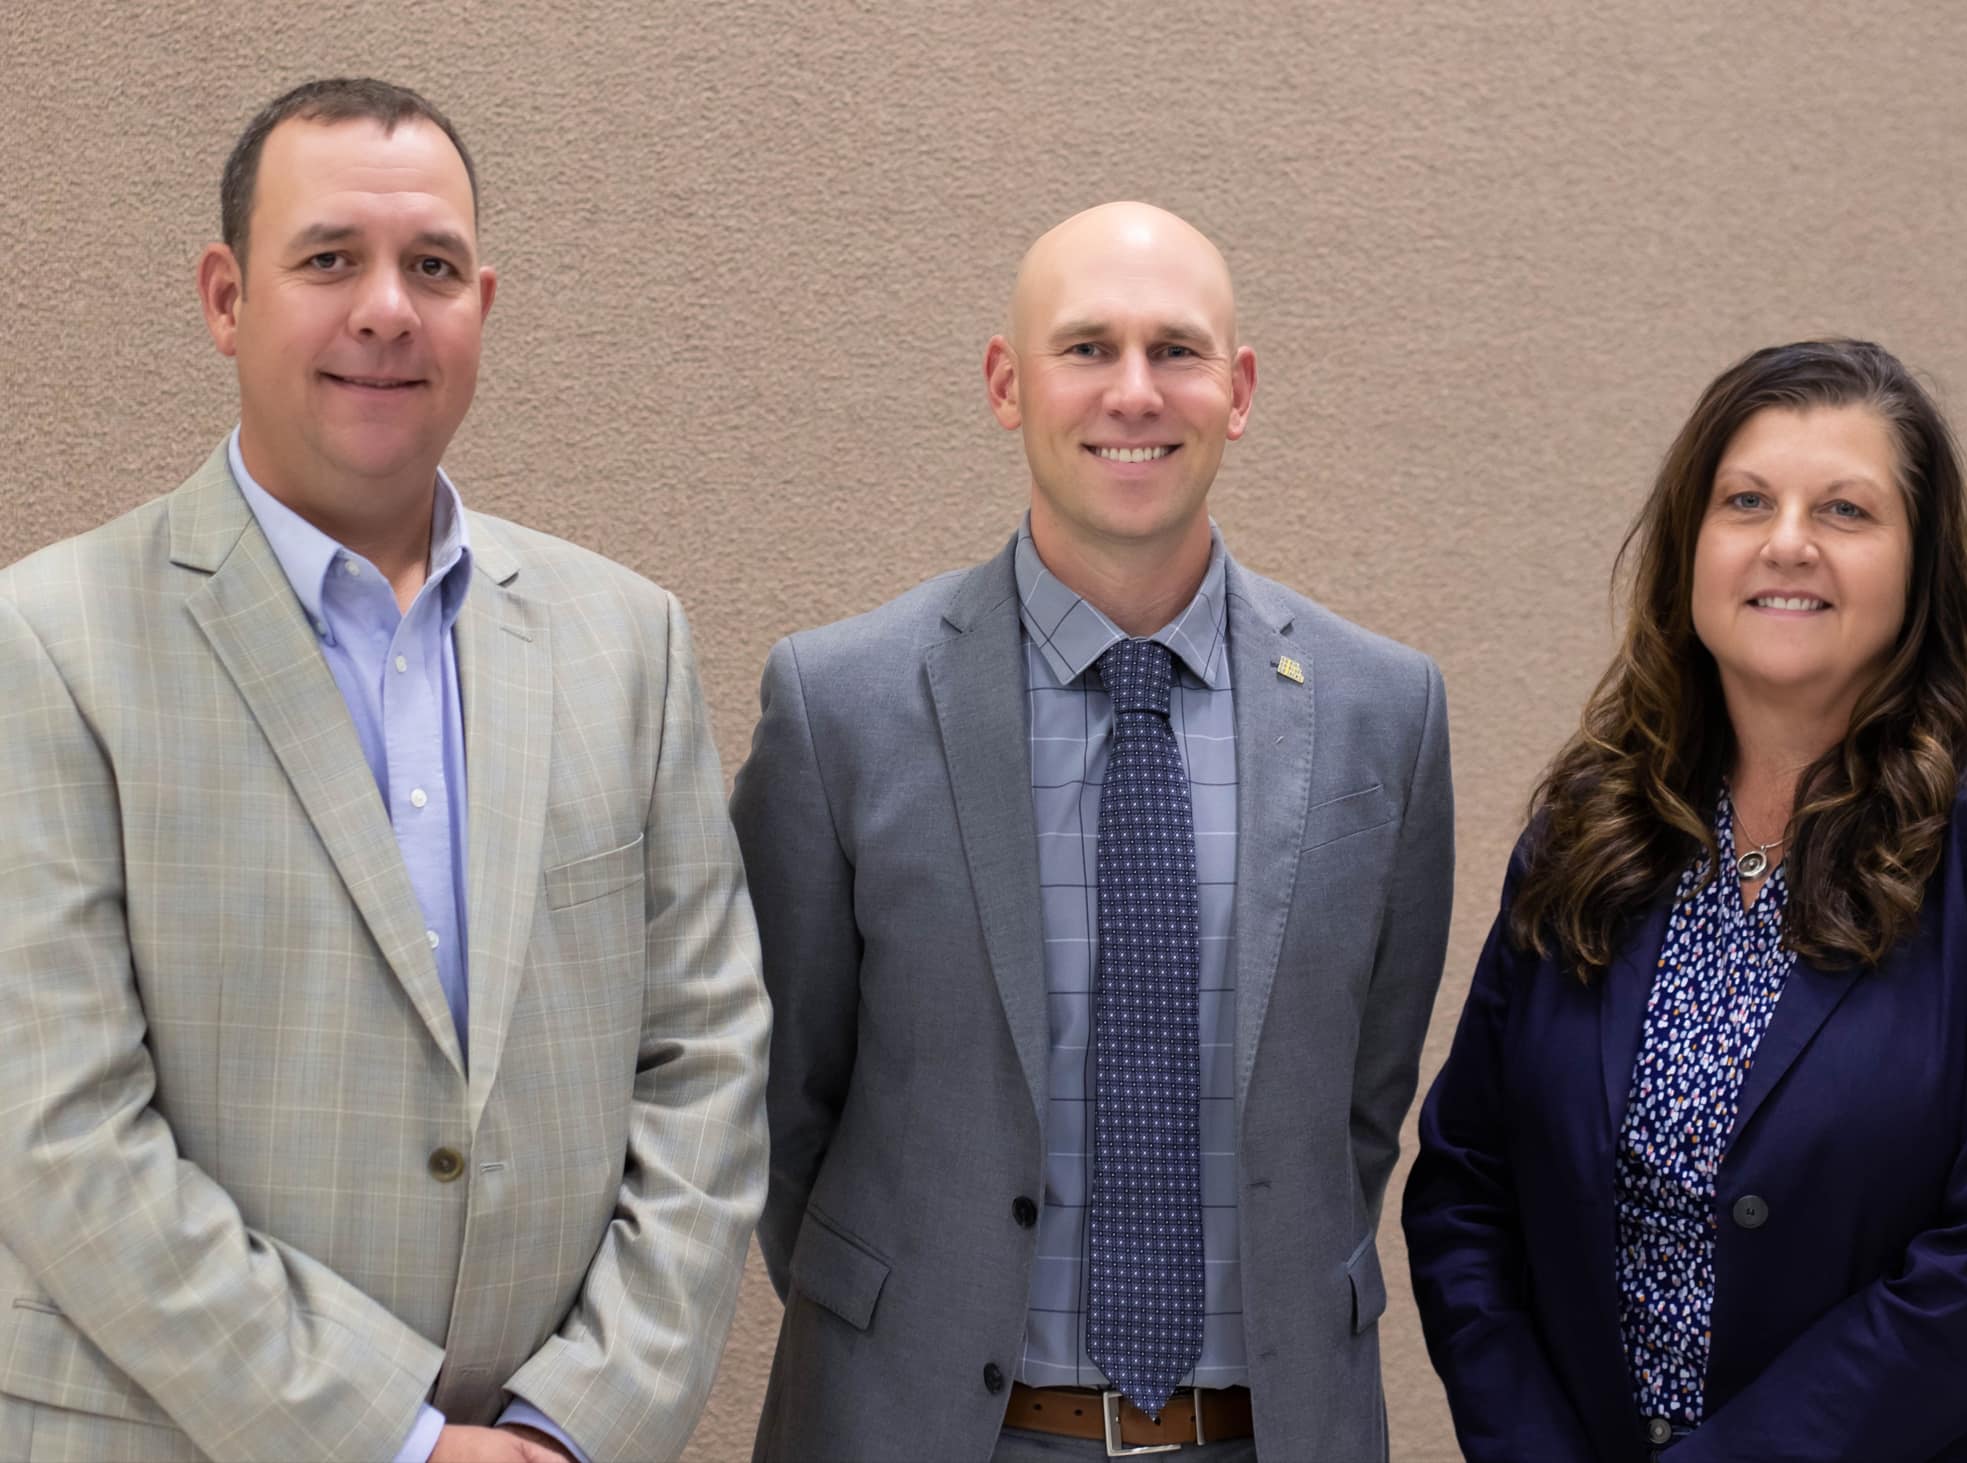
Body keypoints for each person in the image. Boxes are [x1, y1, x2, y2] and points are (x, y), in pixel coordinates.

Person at [0, 79, 769, 1463]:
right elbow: (59, 1139)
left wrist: (573, 1420)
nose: (386, 309)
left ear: (485, 301)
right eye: (328, 259)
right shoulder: (49, 644)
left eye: (431, 267)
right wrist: (397, 1439)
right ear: (226, 297)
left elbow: (706, 1059)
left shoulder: (627, 638)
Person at [730, 200, 1453, 1462]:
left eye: (1174, 351)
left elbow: (1356, 1108)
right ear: (1007, 384)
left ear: (1236, 392)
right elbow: (784, 1098)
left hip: (1264, 1431)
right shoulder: (839, 704)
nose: (1133, 392)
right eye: (1085, 348)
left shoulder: (1380, 710)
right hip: (926, 1429)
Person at [1404, 339, 1967, 1461]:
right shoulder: (1590, 829)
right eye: (1743, 499)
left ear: (1919, 565)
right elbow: (1465, 1189)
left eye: (1844, 510)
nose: (1785, 541)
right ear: (1689, 549)